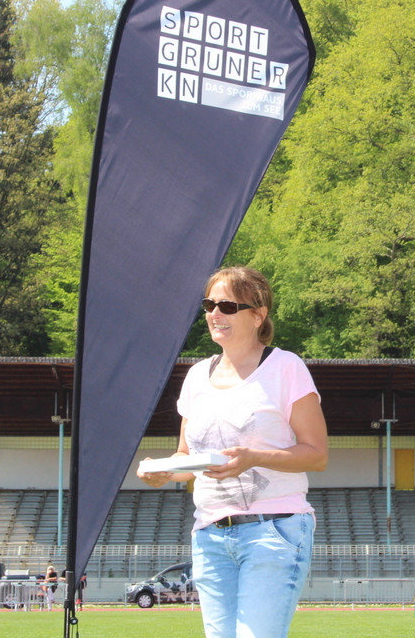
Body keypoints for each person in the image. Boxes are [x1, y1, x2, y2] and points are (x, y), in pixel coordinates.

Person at [138, 266, 328, 638]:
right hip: (210, 534)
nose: (214, 313)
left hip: (274, 530)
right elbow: (186, 458)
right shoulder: (196, 377)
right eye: (210, 304)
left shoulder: (286, 367)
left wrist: (254, 458)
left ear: (258, 315)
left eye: (227, 305)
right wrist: (162, 471)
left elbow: (317, 455)